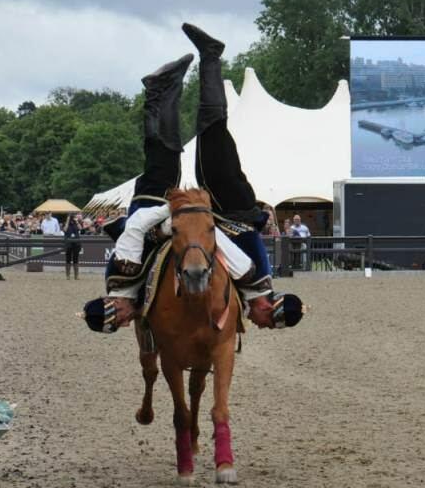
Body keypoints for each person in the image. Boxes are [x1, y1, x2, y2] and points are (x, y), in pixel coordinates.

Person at [85, 23, 304, 332]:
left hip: (175, 213)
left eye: (119, 319)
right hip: (230, 209)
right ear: (269, 307)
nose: (261, 325)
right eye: (267, 323)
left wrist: (178, 213)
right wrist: (186, 212)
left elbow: (138, 231)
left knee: (166, 155)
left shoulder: (122, 273)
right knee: (209, 140)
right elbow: (219, 246)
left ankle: (162, 88)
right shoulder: (254, 276)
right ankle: (202, 63)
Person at [63, 213, 82, 280]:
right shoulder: (66, 223)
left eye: (73, 217)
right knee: (68, 259)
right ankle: (68, 276)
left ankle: (76, 276)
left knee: (75, 259)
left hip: (76, 243)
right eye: (71, 217)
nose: (72, 218)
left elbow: (80, 228)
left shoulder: (76, 223)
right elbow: (65, 229)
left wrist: (76, 221)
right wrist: (67, 221)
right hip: (68, 243)